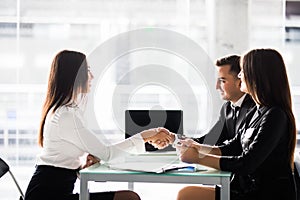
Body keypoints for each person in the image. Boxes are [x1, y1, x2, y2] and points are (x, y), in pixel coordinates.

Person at [24, 50, 173, 200]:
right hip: (46, 196)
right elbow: (107, 154)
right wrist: (147, 135)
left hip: (50, 192)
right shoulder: (65, 116)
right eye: (87, 70)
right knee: (129, 198)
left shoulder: (64, 112)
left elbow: (61, 165)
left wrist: (82, 167)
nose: (92, 76)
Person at [177, 48, 297, 200]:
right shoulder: (257, 111)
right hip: (245, 189)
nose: (240, 75)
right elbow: (232, 147)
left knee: (187, 194)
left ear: (256, 76)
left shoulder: (275, 115)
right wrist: (198, 147)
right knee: (187, 193)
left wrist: (198, 158)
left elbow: (247, 163)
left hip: (264, 194)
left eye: (243, 71)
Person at [193, 55, 255, 146]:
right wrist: (174, 138)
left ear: (240, 81)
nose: (217, 87)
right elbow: (210, 140)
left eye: (222, 81)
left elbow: (238, 148)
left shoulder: (256, 109)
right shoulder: (227, 108)